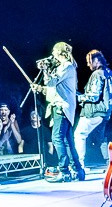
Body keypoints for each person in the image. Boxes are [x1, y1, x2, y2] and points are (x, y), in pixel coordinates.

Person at [34, 43, 81, 181]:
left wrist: (45, 70)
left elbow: (51, 83)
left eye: (54, 51)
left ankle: (64, 170)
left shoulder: (66, 66)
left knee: (57, 138)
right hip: (64, 107)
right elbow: (55, 88)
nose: (52, 54)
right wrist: (40, 86)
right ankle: (78, 169)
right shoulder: (66, 67)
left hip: (62, 107)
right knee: (67, 141)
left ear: (60, 52)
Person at [74, 50, 112, 175]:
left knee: (79, 135)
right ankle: (110, 164)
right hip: (105, 112)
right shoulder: (109, 73)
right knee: (101, 138)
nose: (88, 65)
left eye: (89, 61)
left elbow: (94, 96)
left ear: (96, 60)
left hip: (94, 111)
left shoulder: (97, 74)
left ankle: (79, 165)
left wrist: (78, 96)